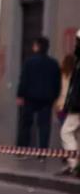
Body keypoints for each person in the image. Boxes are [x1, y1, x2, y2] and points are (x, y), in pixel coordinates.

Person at [16, 36, 61, 149]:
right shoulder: (53, 64)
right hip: (46, 99)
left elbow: (24, 80)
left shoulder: (29, 62)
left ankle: (23, 148)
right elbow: (57, 83)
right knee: (44, 126)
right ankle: (42, 152)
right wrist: (55, 96)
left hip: (30, 98)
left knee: (26, 124)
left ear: (37, 47)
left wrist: (20, 95)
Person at [58, 30, 80, 176]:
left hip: (78, 105)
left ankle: (74, 164)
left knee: (66, 132)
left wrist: (71, 104)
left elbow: (76, 86)